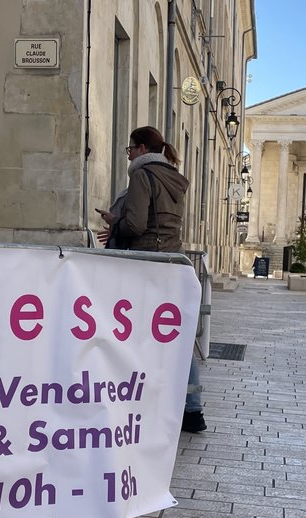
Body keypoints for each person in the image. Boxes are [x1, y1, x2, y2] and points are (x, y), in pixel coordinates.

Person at [95, 126, 206, 432]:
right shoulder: (172, 178)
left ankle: (135, 401)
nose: (128, 154)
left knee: (135, 333)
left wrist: (116, 224)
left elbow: (136, 225)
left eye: (130, 148)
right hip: (172, 261)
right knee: (175, 336)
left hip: (144, 264)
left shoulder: (142, 176)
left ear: (142, 149)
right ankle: (193, 409)